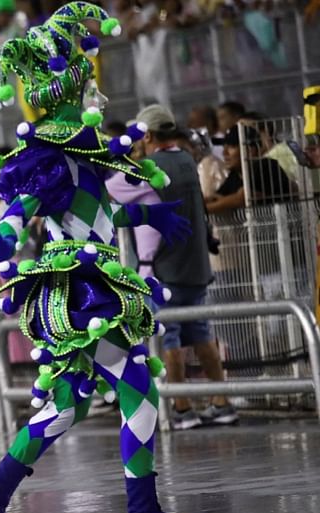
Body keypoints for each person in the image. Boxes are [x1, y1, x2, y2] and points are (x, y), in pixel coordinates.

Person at [0, 2, 210, 513]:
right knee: (138, 388)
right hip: (86, 286)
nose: (99, 101)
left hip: (82, 283)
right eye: (90, 94)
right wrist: (4, 238)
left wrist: (151, 215)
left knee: (67, 403)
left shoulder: (81, 159)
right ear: (73, 101)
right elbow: (23, 204)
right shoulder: (61, 157)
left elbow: (104, 215)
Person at [128, 105, 238, 429]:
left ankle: (181, 407)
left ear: (147, 135)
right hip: (196, 264)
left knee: (169, 335)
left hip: (165, 267)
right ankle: (222, 402)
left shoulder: (149, 167)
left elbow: (116, 193)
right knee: (201, 333)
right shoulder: (188, 161)